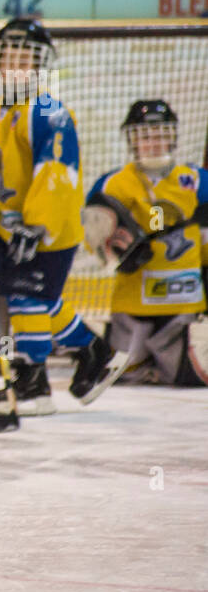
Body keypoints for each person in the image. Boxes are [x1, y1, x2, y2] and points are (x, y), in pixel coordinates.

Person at [0, 18, 126, 415]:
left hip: (49, 228)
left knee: (28, 299)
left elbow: (55, 172)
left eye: (25, 60)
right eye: (8, 58)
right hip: (10, 227)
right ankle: (93, 352)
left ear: (39, 67)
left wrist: (36, 225)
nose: (15, 67)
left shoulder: (48, 112)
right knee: (38, 298)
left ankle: (33, 384)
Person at [82, 100, 208, 386]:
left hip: (183, 307)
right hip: (132, 306)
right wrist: (113, 249)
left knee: (187, 379)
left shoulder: (197, 181)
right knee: (120, 377)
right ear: (132, 140)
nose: (154, 143)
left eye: (161, 135)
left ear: (173, 137)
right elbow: (94, 238)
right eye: (145, 136)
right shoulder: (113, 184)